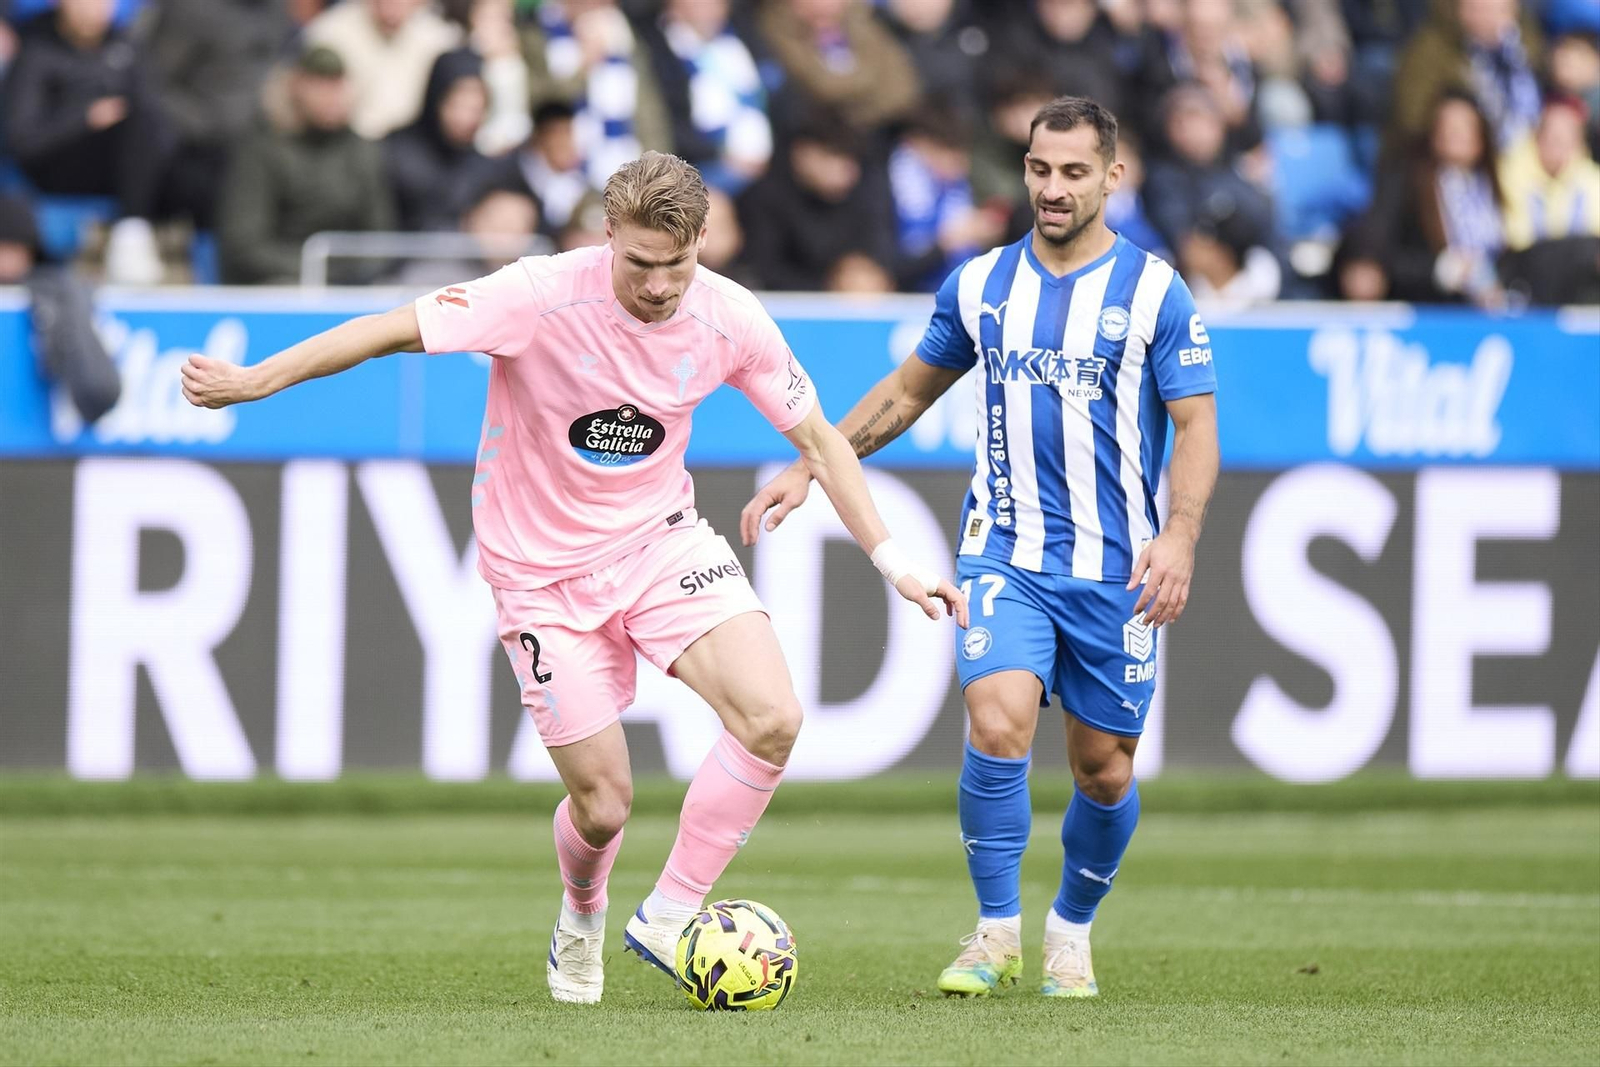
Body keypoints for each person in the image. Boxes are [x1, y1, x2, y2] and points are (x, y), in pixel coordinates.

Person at [180, 150, 968, 1006]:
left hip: (661, 544)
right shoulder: (539, 293)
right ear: (606, 238)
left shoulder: (731, 317)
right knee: (604, 805)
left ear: (703, 239)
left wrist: (894, 561)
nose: (661, 285)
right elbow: (387, 329)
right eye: (640, 263)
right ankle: (581, 915)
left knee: (773, 716)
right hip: (540, 578)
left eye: (679, 262)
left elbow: (821, 441)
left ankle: (669, 914)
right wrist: (258, 379)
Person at [743, 96, 1219, 999]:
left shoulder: (1156, 291)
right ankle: (996, 931)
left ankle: (1069, 930)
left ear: (1111, 177)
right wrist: (813, 463)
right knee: (996, 720)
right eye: (1040, 169)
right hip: (1005, 552)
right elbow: (907, 390)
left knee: (1102, 768)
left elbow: (1196, 425)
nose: (1052, 187)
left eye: (1074, 172)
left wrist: (1181, 536)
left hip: (1118, 571)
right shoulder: (981, 286)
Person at [2, 0, 172, 283]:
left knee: (155, 132)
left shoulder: (126, 46)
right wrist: (83, 119)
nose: (95, 9)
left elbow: (152, 111)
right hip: (54, 165)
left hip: (120, 167)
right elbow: (21, 139)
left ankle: (134, 228)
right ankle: (131, 231)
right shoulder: (36, 51)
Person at [217, 45, 397, 284]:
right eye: (320, 85)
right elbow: (244, 246)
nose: (331, 97)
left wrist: (351, 272)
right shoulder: (262, 150)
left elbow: (380, 239)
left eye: (337, 85)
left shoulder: (362, 150)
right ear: (296, 87)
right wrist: (318, 270)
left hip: (348, 281)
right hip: (277, 282)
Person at [384, 48, 497, 231]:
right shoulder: (395, 153)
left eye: (475, 109)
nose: (465, 119)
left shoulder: (484, 167)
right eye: (458, 105)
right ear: (437, 99)